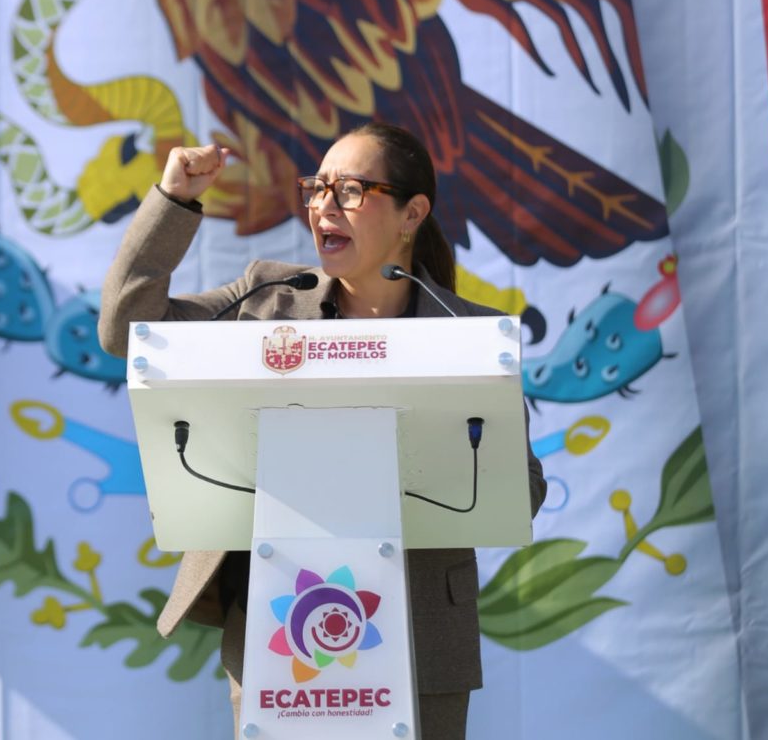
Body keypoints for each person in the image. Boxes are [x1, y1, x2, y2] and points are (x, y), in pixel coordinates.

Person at [99, 122, 546, 739]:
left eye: (352, 190)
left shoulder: (467, 333)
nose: (324, 207)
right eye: (317, 188)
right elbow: (127, 331)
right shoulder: (265, 300)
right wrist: (174, 200)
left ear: (412, 213)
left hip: (420, 639)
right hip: (277, 634)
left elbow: (520, 489)